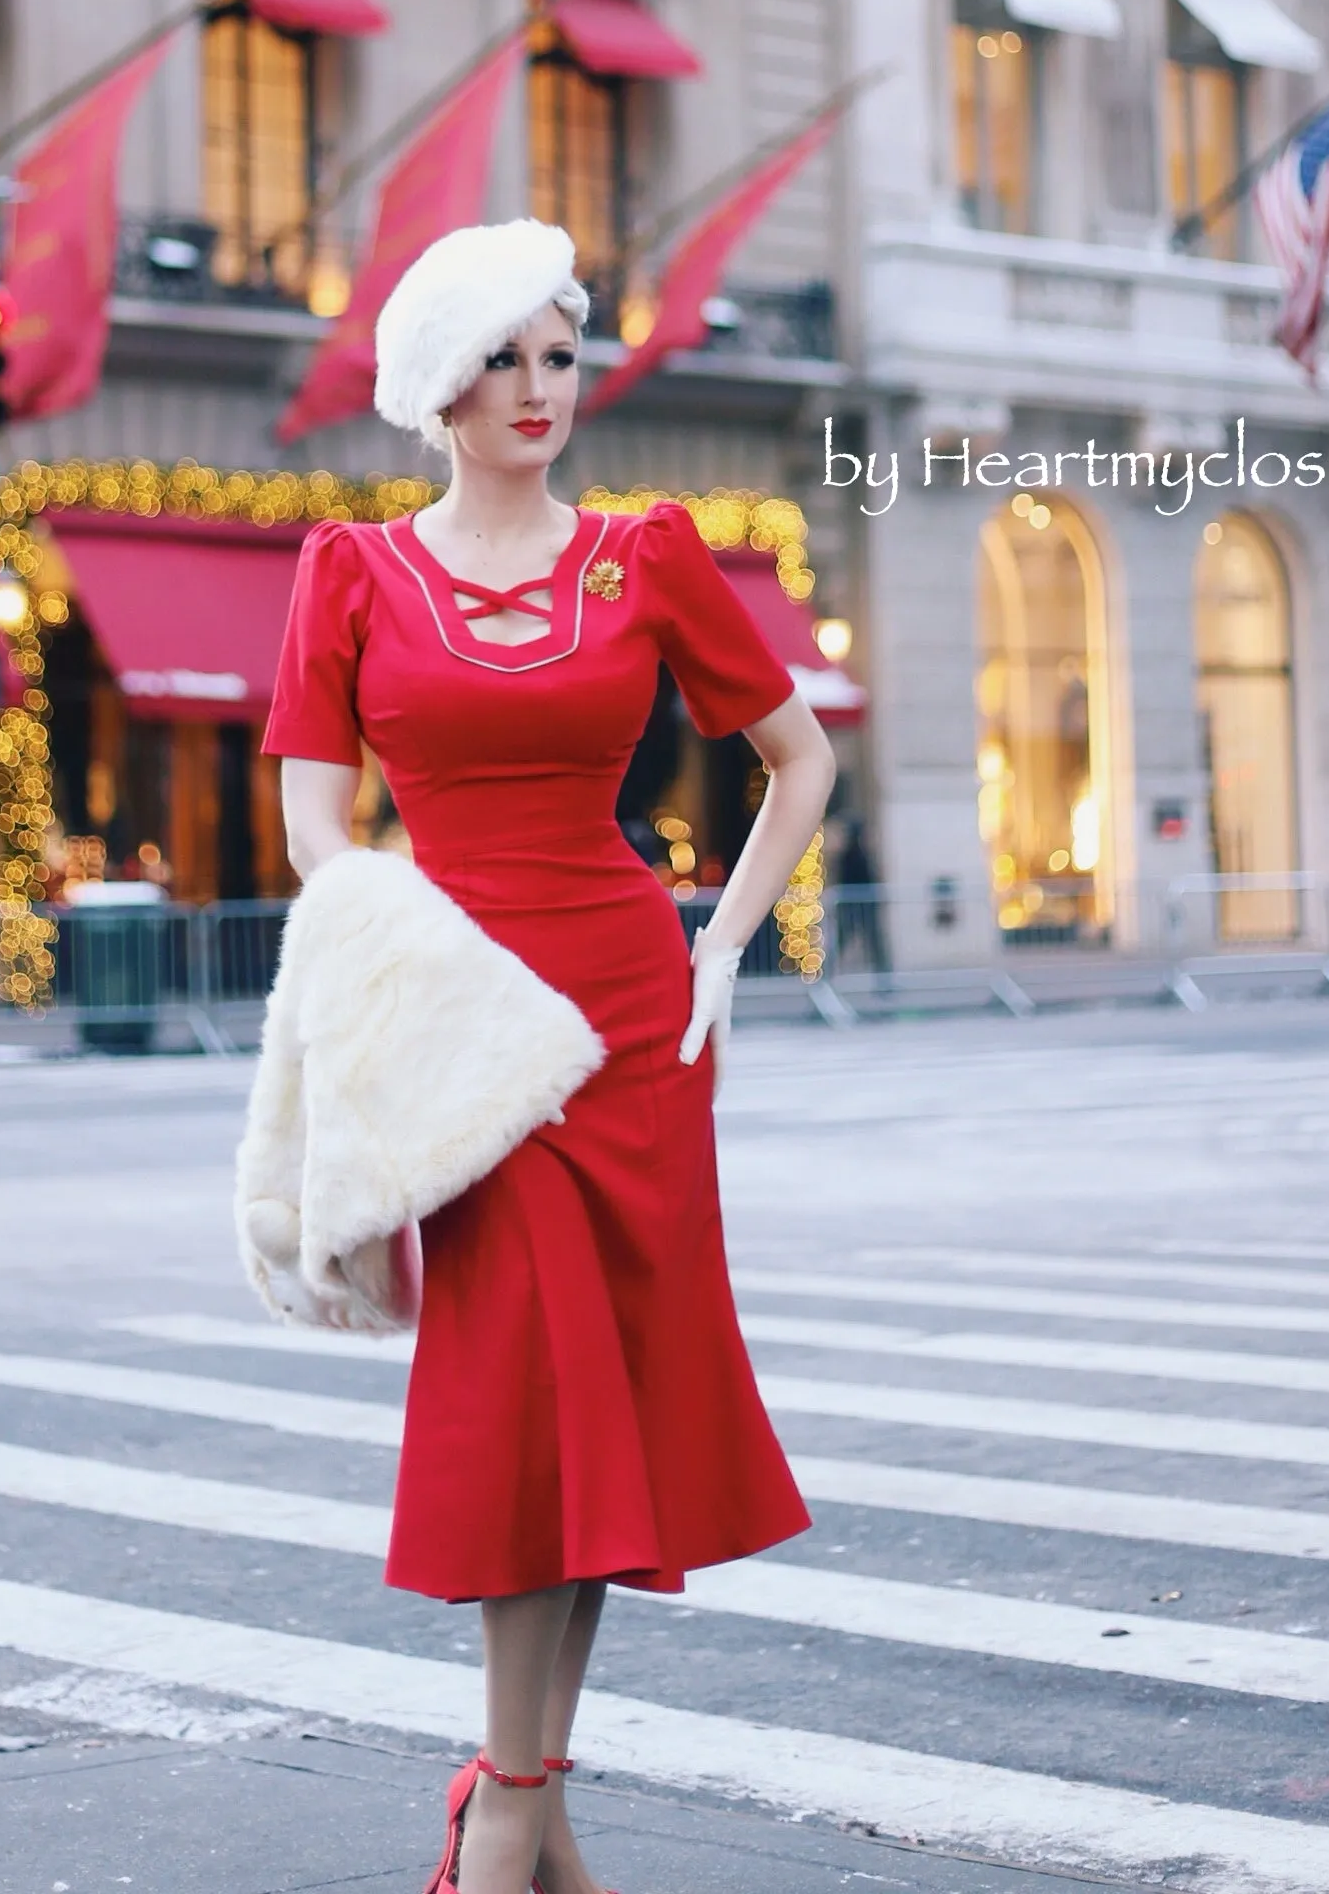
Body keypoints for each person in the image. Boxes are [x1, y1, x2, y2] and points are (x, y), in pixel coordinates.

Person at [263, 219, 836, 1894]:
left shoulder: (648, 553)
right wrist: (401, 972)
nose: (538, 389)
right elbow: (316, 823)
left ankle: (519, 1801)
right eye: (502, 359)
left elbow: (796, 767)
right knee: (520, 1396)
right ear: (438, 386)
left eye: (559, 355)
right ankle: (516, 1805)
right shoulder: (350, 576)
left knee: (604, 1414)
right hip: (471, 1033)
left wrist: (721, 947)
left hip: (630, 1016)